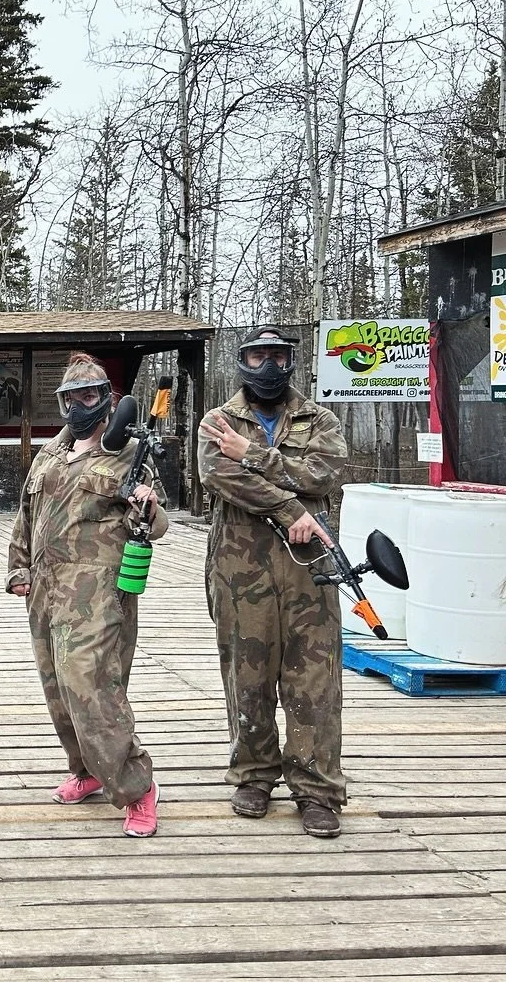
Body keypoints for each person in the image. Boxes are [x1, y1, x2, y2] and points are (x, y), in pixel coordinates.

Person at [5, 352, 167, 838]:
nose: (79, 405)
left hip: (98, 592)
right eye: (70, 397)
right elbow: (25, 515)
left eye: (89, 396)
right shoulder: (50, 454)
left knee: (94, 691)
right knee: (58, 690)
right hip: (45, 589)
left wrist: (146, 505)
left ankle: (137, 790)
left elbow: (155, 526)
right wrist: (17, 568)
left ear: (107, 401)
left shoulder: (129, 456)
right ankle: (88, 771)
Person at [198, 326, 349, 838]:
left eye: (278, 357)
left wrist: (254, 454)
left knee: (315, 680)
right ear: (242, 362)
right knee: (248, 674)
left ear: (291, 362)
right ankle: (255, 773)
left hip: (312, 567)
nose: (268, 367)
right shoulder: (218, 421)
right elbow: (221, 477)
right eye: (257, 356)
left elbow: (324, 475)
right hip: (241, 569)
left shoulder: (319, 418)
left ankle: (317, 788)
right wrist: (288, 509)